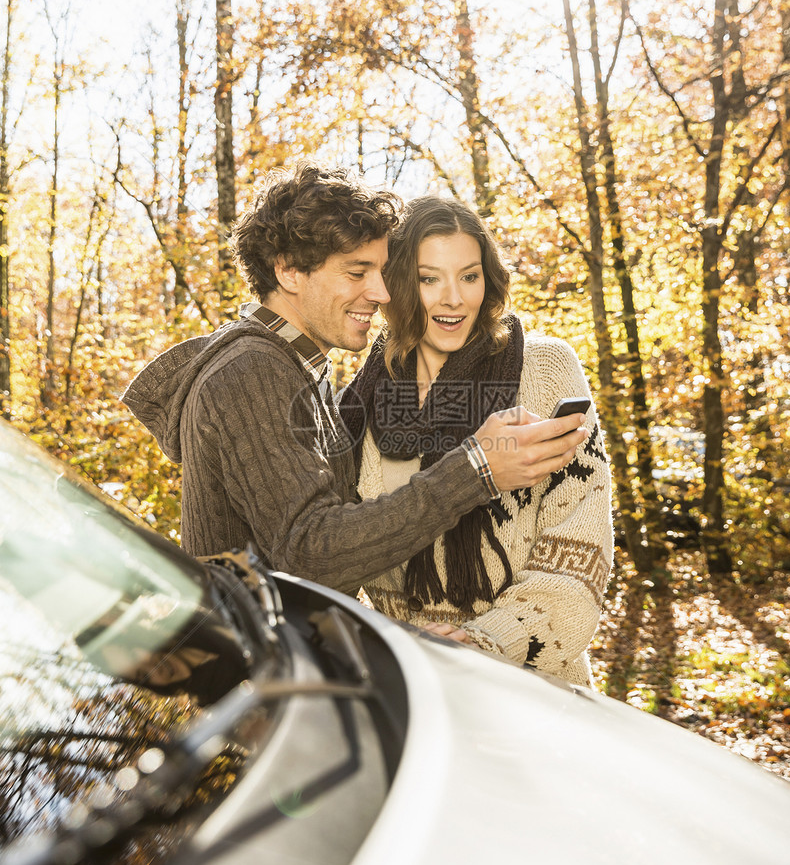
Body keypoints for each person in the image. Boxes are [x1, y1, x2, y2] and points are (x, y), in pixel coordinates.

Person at [122, 163, 589, 598]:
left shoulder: (300, 370)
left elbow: (306, 575)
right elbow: (312, 554)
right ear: (287, 271)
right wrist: (475, 470)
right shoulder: (251, 372)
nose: (381, 293)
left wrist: (397, 636)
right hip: (261, 677)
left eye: (382, 272)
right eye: (357, 272)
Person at [339, 195, 613, 684]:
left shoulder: (545, 370)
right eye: (429, 279)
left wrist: (488, 643)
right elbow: (344, 548)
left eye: (469, 276)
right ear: (397, 285)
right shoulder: (364, 395)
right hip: (404, 678)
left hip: (524, 678)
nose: (454, 298)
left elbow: (581, 545)